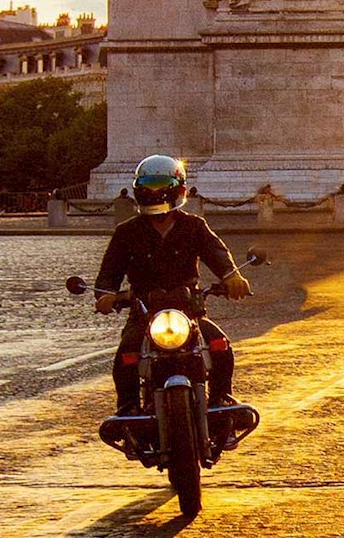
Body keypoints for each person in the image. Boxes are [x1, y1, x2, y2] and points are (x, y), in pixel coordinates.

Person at [93, 155, 253, 422]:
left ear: (177, 187)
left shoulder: (194, 225)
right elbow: (109, 271)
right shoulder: (126, 232)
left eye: (160, 185)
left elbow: (217, 253)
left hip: (188, 309)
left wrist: (232, 277)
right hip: (143, 311)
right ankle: (128, 408)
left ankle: (221, 397)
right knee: (126, 353)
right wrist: (105, 295)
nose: (154, 191)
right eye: (148, 185)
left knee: (220, 345)